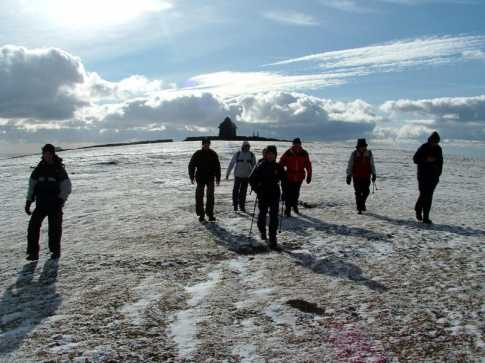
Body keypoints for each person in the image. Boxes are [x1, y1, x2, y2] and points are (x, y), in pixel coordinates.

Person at [25, 144, 72, 260]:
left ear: (52, 154)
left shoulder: (59, 169)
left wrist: (61, 200)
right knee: (32, 227)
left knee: (54, 230)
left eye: (48, 153)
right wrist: (28, 202)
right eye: (44, 153)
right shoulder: (38, 169)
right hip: (41, 204)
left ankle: (55, 251)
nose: (46, 156)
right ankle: (33, 253)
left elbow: (67, 187)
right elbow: (32, 186)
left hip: (55, 205)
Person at [249, 145, 287, 249]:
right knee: (262, 215)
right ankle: (262, 232)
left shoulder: (278, 166)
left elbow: (285, 180)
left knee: (274, 216)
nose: (270, 156)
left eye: (272, 154)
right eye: (269, 154)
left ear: (275, 155)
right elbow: (251, 179)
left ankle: (272, 237)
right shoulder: (260, 165)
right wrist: (258, 190)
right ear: (266, 154)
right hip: (263, 194)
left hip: (274, 193)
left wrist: (284, 192)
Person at [413, 131, 443, 224]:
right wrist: (426, 160)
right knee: (423, 194)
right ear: (430, 140)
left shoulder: (438, 149)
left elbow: (441, 162)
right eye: (434, 141)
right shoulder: (424, 147)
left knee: (429, 196)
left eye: (437, 142)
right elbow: (415, 159)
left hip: (433, 177)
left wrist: (438, 174)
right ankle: (418, 208)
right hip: (422, 175)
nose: (435, 143)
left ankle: (426, 217)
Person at [188, 138, 221, 222]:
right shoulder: (197, 154)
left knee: (210, 197)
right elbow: (191, 165)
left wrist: (218, 178)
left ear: (209, 144)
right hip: (200, 179)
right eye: (205, 144)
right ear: (202, 144)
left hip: (210, 178)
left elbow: (217, 167)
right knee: (199, 197)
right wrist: (191, 177)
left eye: (207, 144)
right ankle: (201, 214)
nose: (206, 145)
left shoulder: (213, 154)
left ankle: (210, 214)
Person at [279, 138, 312, 216]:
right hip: (289, 176)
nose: (296, 145)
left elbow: (308, 165)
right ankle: (288, 209)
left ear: (300, 144)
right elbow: (281, 162)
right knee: (288, 193)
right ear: (293, 144)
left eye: (298, 143)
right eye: (295, 144)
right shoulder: (288, 152)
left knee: (296, 193)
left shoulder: (304, 153)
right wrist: (279, 172)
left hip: (300, 177)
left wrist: (309, 175)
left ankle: (294, 206)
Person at [346, 138, 376, 214]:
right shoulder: (354, 154)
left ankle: (362, 204)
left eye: (364, 146)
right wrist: (348, 175)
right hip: (356, 177)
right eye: (361, 146)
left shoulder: (369, 154)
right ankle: (359, 208)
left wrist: (374, 174)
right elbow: (350, 165)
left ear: (365, 146)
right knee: (358, 192)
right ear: (358, 147)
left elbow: (372, 165)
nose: (362, 148)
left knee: (366, 192)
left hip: (366, 177)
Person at [226, 141, 256, 212]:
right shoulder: (238, 154)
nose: (247, 148)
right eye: (245, 146)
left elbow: (254, 166)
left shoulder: (251, 155)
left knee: (243, 192)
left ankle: (242, 206)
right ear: (243, 147)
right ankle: (235, 205)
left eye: (248, 146)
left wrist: (254, 176)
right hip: (237, 176)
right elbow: (231, 164)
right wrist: (227, 173)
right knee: (235, 191)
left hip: (246, 177)